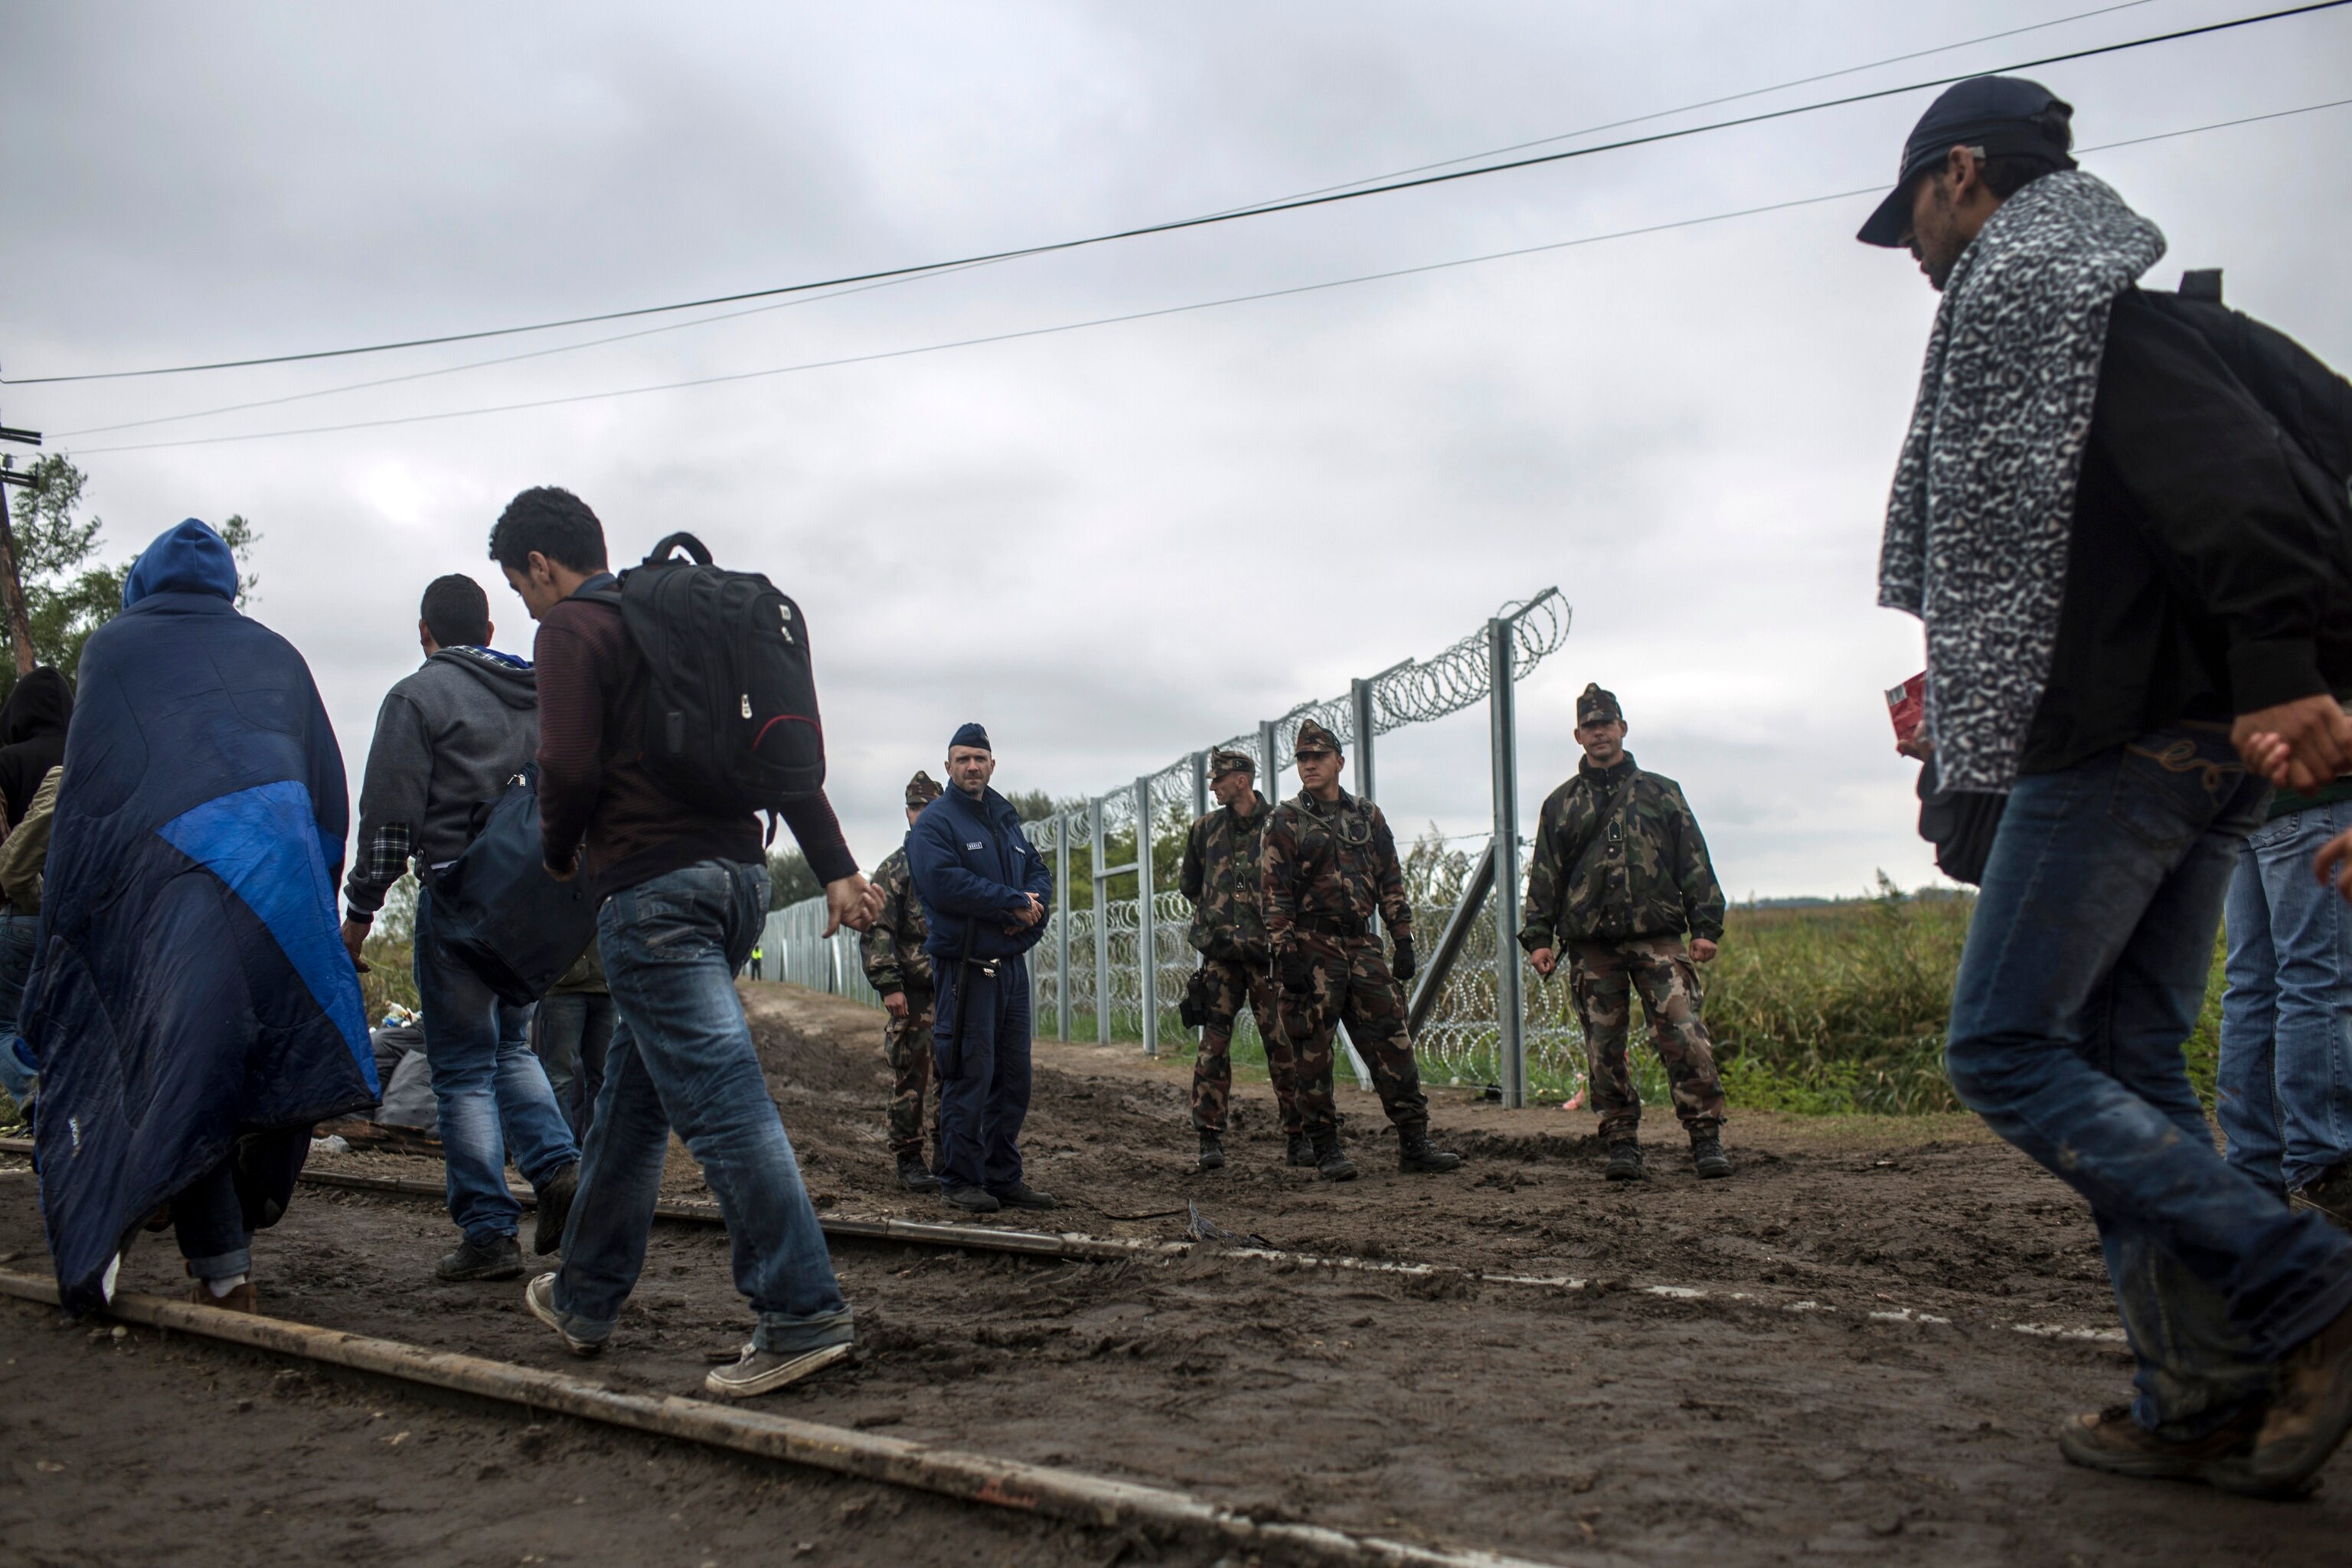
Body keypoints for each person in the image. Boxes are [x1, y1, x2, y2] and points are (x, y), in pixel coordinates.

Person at [1860, 76, 2352, 1494]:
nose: (1909, 246)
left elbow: (2236, 496)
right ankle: (2198, 1390)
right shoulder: (2081, 333)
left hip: (2130, 738)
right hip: (2195, 755)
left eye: (1913, 212)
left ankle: (2303, 1277)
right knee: (2133, 1064)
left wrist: (2271, 658)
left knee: (2003, 1047)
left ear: (1964, 175)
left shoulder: (2085, 326)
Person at [492, 485, 876, 1400]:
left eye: (521, 588)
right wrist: (834, 863)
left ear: (540, 565)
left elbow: (568, 765)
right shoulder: (677, 621)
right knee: (630, 1101)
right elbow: (776, 747)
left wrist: (556, 853)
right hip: (737, 880)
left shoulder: (572, 630)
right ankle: (585, 1292)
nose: (528, 606)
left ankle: (799, 1308)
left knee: (721, 1101)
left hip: (652, 891)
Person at [21, 518, 377, 1315]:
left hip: (166, 887)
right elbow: (327, 790)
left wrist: (75, 924)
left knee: (178, 1063)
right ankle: (241, 1215)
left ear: (142, 582)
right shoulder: (279, 652)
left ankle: (221, 1267)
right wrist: (315, 893)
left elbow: (91, 800)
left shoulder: (113, 650)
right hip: (280, 881)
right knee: (269, 1047)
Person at [341, 573, 580, 1282]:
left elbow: (388, 823)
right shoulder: (546, 695)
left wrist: (360, 916)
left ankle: (487, 1231)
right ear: (491, 632)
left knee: (463, 1072)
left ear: (425, 633)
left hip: (457, 900)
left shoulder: (417, 697)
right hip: (533, 903)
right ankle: (560, 1171)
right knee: (512, 1050)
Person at [1518, 683, 1730, 1182]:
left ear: (1622, 728)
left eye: (1606, 724)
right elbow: (1545, 874)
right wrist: (1540, 937)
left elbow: (1693, 859)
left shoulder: (1660, 792)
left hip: (1657, 938)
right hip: (1592, 946)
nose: (1599, 733)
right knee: (1603, 1049)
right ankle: (1620, 1142)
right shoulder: (1562, 805)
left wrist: (1705, 925)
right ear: (1578, 735)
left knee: (1685, 1035)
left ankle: (1706, 1138)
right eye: (1590, 726)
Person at [1260, 719, 1462, 1181]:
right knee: (1312, 1049)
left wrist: (1403, 936)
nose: (1308, 765)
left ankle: (1414, 1140)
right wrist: (1284, 949)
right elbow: (1274, 891)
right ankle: (1325, 1146)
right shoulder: (1286, 819)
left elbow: (1390, 877)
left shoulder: (1367, 816)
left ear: (1338, 762)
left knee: (1393, 1038)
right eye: (1302, 759)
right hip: (1311, 946)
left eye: (1318, 757)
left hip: (1361, 941)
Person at [906, 724, 1056, 1214]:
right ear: (949, 766)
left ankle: (1002, 1174)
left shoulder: (1005, 820)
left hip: (1010, 969)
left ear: (993, 765)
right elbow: (945, 885)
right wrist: (1008, 904)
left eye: (981, 759)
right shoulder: (936, 824)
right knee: (969, 1072)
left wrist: (1025, 923)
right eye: (963, 759)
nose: (973, 766)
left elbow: (1039, 878)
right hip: (966, 969)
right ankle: (961, 1178)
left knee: (1014, 1078)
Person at [2218, 774, 2352, 1229]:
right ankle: (2323, 1172)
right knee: (2318, 981)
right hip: (2323, 791)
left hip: (2245, 798)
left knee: (2254, 989)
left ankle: (2252, 1183)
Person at [1180, 748, 1305, 1171]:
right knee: (1213, 1047)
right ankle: (1209, 1138)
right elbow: (1190, 884)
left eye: (1218, 779)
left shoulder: (1280, 827)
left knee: (1283, 1044)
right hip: (1220, 958)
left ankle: (1299, 1136)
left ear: (1241, 780)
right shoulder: (1204, 831)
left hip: (1269, 957)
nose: (1212, 786)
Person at [861, 769, 946, 1192]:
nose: (922, 814)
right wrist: (890, 984)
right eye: (915, 807)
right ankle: (910, 1157)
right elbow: (878, 930)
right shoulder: (896, 868)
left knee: (958, 1073)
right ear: (907, 813)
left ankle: (950, 1153)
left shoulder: (953, 861)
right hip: (912, 991)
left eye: (929, 807)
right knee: (911, 1074)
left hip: (953, 985)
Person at [0, 668, 70, 1111]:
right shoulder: (91, 757)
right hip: (75, 915)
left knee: (6, 1026)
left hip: (17, 912)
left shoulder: (5, 761)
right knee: (64, 1025)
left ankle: (38, 1094)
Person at [537, 937, 613, 1142]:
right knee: (559, 1077)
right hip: (562, 988)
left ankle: (597, 1155)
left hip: (607, 985)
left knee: (605, 1078)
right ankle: (562, 1155)